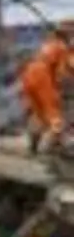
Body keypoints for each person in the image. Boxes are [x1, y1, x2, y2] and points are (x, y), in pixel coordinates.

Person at [18, 21, 74, 153]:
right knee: (53, 112)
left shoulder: (49, 44)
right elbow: (63, 74)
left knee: (38, 113)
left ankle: (33, 146)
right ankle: (50, 149)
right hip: (43, 77)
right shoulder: (63, 48)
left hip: (29, 73)